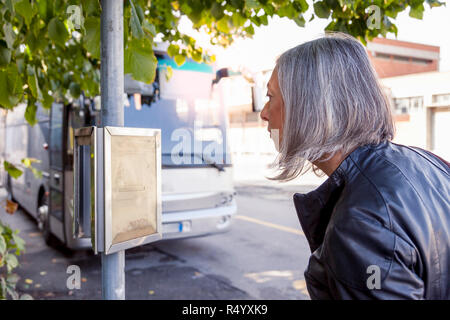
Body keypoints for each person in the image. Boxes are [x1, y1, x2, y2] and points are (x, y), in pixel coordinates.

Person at [259, 32, 450, 299]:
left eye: (270, 97)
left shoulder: (361, 222)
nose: (264, 113)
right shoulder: (427, 162)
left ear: (310, 105)